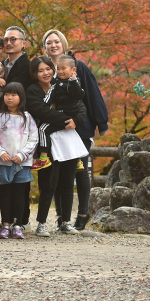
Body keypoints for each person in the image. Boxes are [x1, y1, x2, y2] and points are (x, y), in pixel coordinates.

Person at [43, 29, 110, 230]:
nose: (53, 45)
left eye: (56, 41)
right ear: (44, 47)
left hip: (80, 126)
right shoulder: (45, 69)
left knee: (80, 170)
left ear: (63, 43)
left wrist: (101, 122)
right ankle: (62, 217)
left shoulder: (78, 67)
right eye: (49, 42)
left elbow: (92, 93)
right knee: (57, 172)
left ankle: (83, 212)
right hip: (57, 127)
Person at [26, 56, 84, 237]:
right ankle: (42, 223)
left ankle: (65, 221)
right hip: (48, 140)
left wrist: (76, 120)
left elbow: (80, 106)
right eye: (40, 70)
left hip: (68, 139)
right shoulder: (33, 90)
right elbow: (42, 111)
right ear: (35, 73)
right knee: (49, 183)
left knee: (67, 182)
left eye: (48, 69)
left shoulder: (66, 84)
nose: (46, 73)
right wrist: (67, 120)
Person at [0, 83, 38, 239]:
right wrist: (1, 152)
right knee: (5, 195)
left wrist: (22, 155)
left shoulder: (27, 118)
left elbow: (33, 139)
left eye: (13, 95)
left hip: (22, 163)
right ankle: (5, 224)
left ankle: (18, 225)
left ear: (21, 97)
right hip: (3, 162)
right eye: (7, 94)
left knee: (20, 195)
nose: (9, 98)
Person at [34, 55, 87, 170]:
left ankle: (43, 158)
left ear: (73, 70)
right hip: (64, 115)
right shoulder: (57, 84)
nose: (60, 71)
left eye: (64, 68)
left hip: (68, 116)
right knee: (70, 135)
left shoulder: (74, 83)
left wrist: (73, 82)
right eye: (58, 68)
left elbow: (79, 95)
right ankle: (78, 160)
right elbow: (49, 98)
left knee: (43, 129)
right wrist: (44, 105)